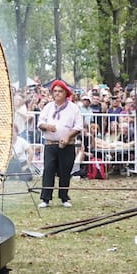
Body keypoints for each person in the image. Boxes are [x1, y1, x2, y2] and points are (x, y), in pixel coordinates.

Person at [36, 79, 82, 208]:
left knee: (65, 171)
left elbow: (78, 126)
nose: (57, 93)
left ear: (65, 93)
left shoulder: (74, 108)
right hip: (50, 144)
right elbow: (40, 123)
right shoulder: (48, 107)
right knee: (48, 169)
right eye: (55, 91)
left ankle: (64, 197)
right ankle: (45, 198)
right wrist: (47, 126)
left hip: (67, 145)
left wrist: (67, 135)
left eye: (60, 91)